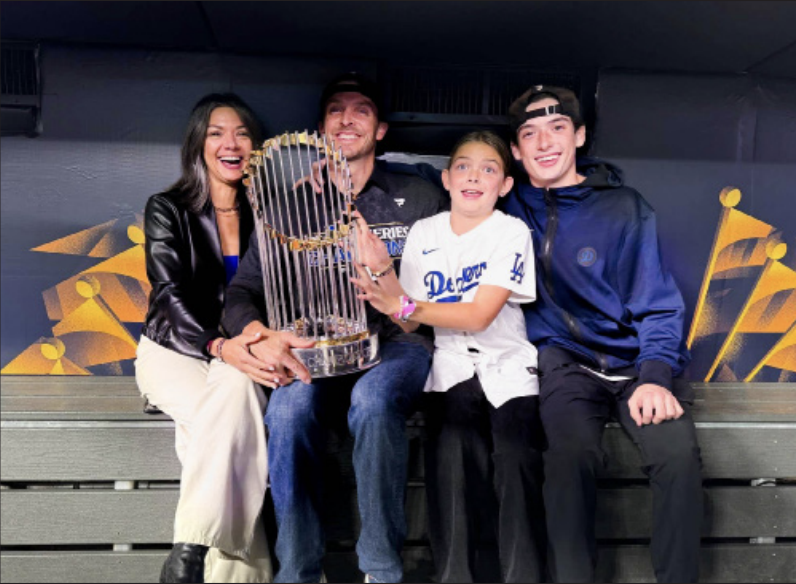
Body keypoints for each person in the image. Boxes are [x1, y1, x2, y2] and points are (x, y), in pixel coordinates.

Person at [221, 73, 448, 583]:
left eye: (361, 110)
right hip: (314, 349)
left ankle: (381, 571)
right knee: (287, 411)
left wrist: (383, 277)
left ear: (381, 129)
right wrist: (261, 333)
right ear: (321, 129)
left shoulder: (419, 198)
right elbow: (241, 293)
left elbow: (446, 292)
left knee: (371, 402)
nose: (347, 119)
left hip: (397, 344)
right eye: (335, 111)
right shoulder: (285, 207)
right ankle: (299, 572)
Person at [501, 85, 703, 583]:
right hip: (564, 364)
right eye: (530, 133)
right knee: (569, 461)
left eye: (558, 128)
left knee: (677, 458)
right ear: (515, 150)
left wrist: (655, 375)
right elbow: (446, 171)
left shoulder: (624, 206)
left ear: (580, 136)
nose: (544, 142)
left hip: (634, 365)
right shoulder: (506, 207)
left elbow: (657, 302)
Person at [351, 130, 547, 583]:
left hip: (508, 366)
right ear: (446, 178)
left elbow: (479, 315)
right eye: (463, 166)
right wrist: (382, 270)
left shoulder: (511, 231)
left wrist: (399, 303)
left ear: (505, 185)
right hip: (450, 368)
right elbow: (408, 321)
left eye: (489, 168)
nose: (473, 176)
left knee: (517, 460)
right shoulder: (425, 232)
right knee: (451, 462)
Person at [135, 93, 277, 583]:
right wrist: (218, 346)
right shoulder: (168, 209)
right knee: (233, 430)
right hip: (176, 348)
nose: (230, 143)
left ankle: (189, 551)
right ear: (198, 144)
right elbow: (169, 295)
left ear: (256, 148)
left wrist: (247, 344)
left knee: (230, 406)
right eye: (217, 133)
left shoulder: (271, 215)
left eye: (241, 133)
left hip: (240, 354)